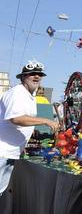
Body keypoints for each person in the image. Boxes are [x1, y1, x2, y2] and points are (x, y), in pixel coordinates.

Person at [0, 61, 59, 195]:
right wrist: (45, 121)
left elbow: (21, 120)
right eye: (32, 74)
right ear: (23, 77)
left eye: (39, 74)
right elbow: (16, 119)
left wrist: (32, 130)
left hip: (9, 152)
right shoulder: (17, 93)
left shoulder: (29, 95)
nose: (36, 76)